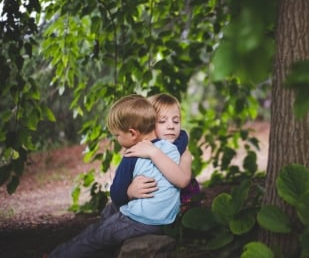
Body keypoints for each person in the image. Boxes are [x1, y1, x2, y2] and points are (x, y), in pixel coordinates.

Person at [48, 94, 185, 258]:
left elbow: (118, 195)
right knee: (110, 212)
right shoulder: (172, 146)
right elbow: (183, 135)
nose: (117, 138)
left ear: (133, 133)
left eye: (117, 135)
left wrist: (128, 192)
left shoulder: (132, 155)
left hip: (141, 221)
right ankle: (109, 227)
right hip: (166, 218)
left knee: (94, 236)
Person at [124, 93, 201, 213]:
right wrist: (130, 192)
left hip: (179, 211)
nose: (171, 126)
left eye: (176, 121)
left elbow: (183, 181)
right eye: (162, 121)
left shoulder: (183, 153)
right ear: (147, 125)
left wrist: (153, 152)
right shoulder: (143, 148)